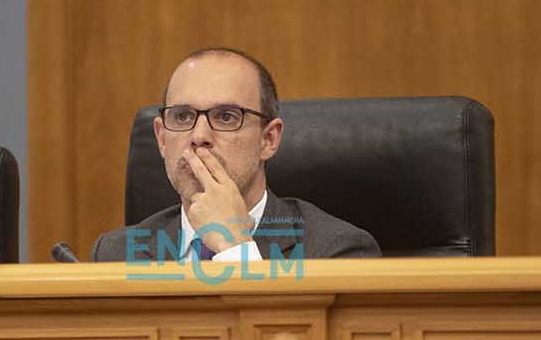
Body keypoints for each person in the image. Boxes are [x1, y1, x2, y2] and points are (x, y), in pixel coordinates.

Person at [91, 47, 380, 262]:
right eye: (182, 116)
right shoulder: (115, 255)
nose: (199, 136)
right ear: (162, 138)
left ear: (268, 139)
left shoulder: (337, 251)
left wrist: (235, 248)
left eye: (226, 117)